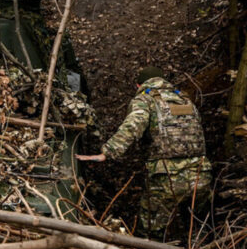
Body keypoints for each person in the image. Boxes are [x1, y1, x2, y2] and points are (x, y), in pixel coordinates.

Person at [76, 67, 212, 237]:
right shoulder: (185, 100)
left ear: (138, 85)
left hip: (167, 177)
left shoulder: (145, 100)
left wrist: (107, 152)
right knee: (201, 229)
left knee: (149, 235)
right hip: (201, 174)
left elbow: (132, 126)